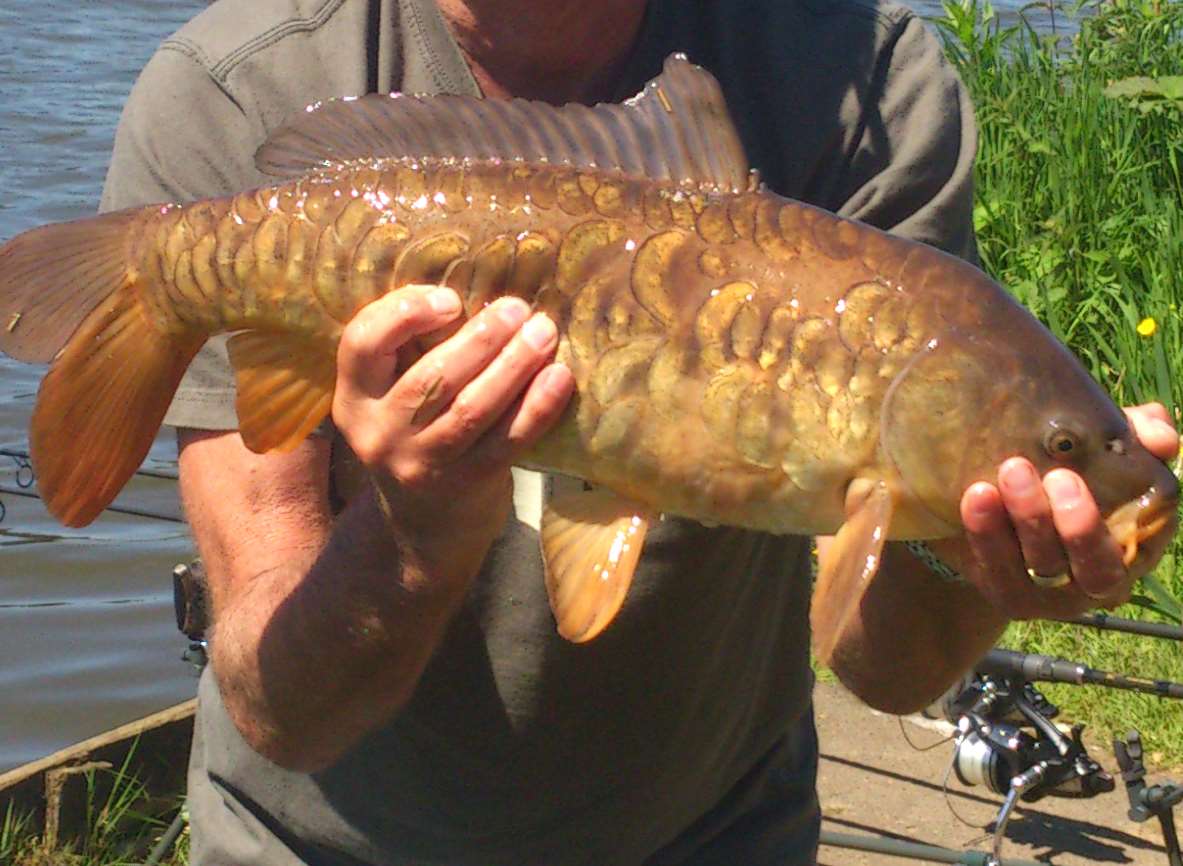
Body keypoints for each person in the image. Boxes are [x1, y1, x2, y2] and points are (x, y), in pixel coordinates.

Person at [99, 1, 1179, 863]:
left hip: (710, 831)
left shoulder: (868, 84)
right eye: (1066, 445)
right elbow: (275, 707)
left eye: (1068, 448)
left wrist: (982, 564)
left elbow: (885, 672)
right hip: (320, 840)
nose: (1076, 459)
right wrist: (415, 535)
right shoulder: (231, 93)